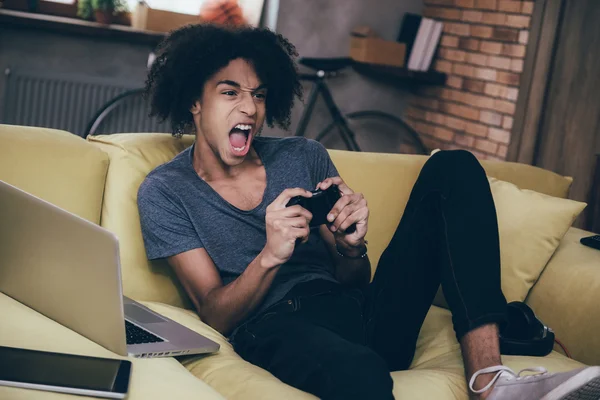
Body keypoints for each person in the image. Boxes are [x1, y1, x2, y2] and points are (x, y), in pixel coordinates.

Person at [137, 24, 600, 400]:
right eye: (230, 92)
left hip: (360, 312)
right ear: (194, 103)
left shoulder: (303, 154)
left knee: (453, 166)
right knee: (361, 373)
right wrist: (269, 256)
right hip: (276, 328)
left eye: (258, 95)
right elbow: (214, 315)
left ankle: (490, 382)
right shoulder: (165, 190)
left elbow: (354, 279)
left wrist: (350, 247)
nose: (250, 108)